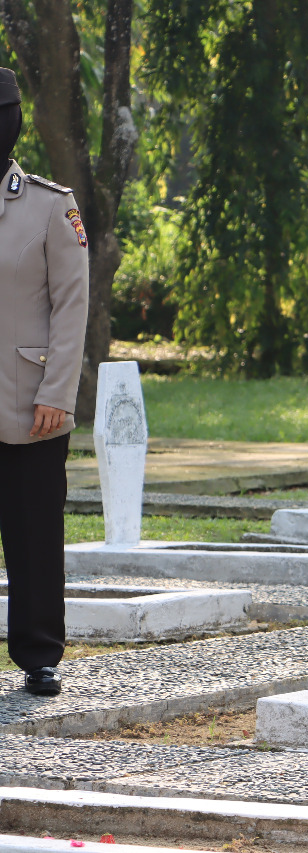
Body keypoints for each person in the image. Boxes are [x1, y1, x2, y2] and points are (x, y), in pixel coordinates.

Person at [0, 67, 90, 697]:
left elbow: (72, 304)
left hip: (28, 402)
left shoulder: (50, 205)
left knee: (33, 531)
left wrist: (57, 392)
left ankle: (38, 655)